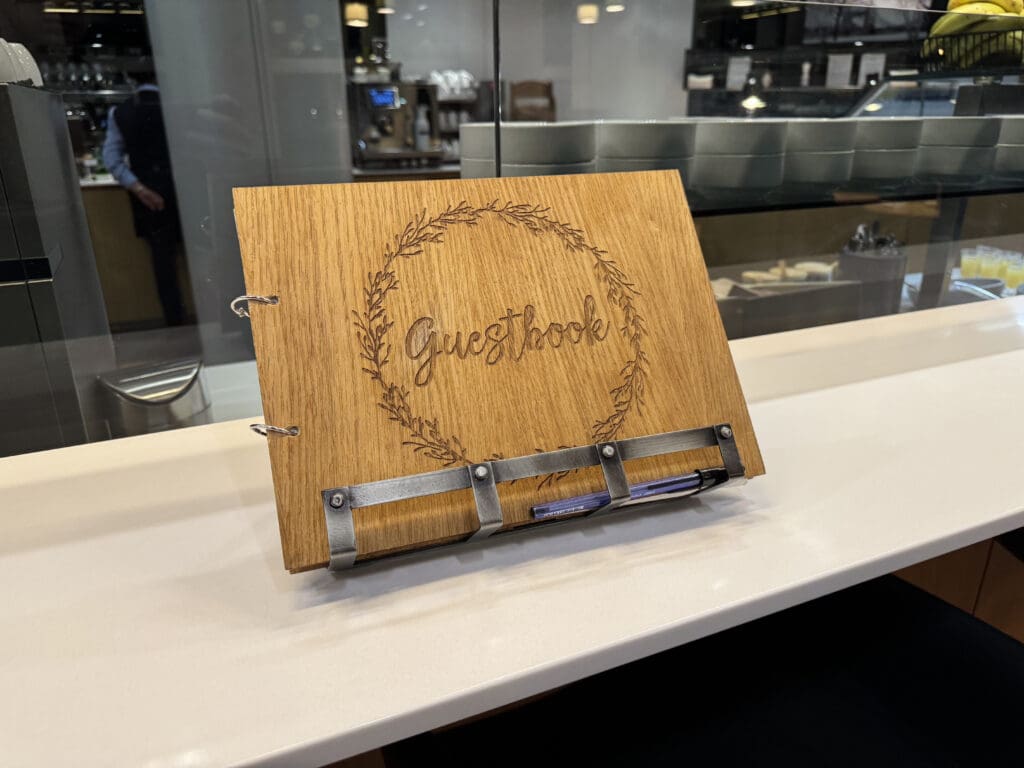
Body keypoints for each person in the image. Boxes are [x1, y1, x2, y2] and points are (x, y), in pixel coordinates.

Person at [102, 75, 187, 327]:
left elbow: (112, 160)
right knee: (203, 257)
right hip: (185, 193)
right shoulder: (178, 108)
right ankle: (223, 316)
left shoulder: (121, 113)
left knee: (163, 263)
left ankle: (175, 321)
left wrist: (140, 189)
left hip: (149, 197)